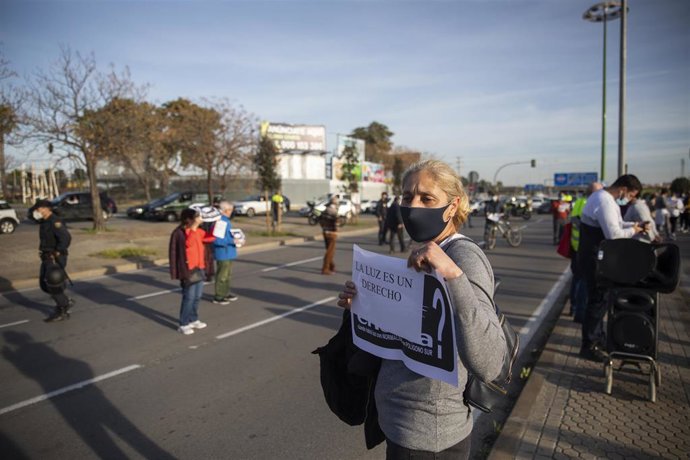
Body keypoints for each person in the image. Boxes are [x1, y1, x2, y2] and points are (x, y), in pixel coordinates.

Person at [337, 160, 506, 459]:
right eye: (407, 197)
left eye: (427, 198)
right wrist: (362, 305)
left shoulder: (463, 257)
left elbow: (490, 361)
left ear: (452, 207)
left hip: (430, 437)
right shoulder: (425, 249)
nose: (413, 206)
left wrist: (453, 275)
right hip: (398, 423)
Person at [577, 174, 648, 362]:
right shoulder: (605, 201)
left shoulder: (603, 197)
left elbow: (616, 223)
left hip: (595, 257)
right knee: (597, 301)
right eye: (631, 195)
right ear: (623, 189)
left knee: (600, 300)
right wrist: (634, 231)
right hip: (594, 259)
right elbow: (614, 235)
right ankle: (589, 345)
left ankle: (597, 338)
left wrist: (634, 225)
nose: (631, 199)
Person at [169, 208, 215, 335]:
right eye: (196, 217)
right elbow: (188, 244)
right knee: (188, 297)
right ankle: (183, 323)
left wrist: (216, 225)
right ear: (188, 219)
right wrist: (194, 227)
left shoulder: (198, 231)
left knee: (197, 296)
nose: (199, 219)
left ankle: (193, 319)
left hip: (200, 267)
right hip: (188, 269)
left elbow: (208, 239)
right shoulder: (181, 232)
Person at [32, 199, 73, 322]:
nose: (36, 211)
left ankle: (62, 310)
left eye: (38, 209)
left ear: (45, 209)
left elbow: (66, 237)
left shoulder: (55, 221)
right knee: (44, 285)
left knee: (52, 285)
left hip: (54, 257)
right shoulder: (45, 221)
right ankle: (64, 301)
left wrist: (58, 251)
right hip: (46, 257)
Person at [568, 182, 603, 323]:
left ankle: (573, 307)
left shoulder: (579, 202)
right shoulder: (588, 204)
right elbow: (578, 222)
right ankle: (578, 310)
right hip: (583, 247)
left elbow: (573, 221)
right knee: (582, 281)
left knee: (576, 279)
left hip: (576, 245)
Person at [212, 201, 239, 304]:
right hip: (223, 253)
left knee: (227, 275)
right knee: (222, 275)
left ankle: (225, 293)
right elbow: (218, 240)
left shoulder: (226, 221)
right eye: (230, 210)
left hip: (229, 252)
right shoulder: (221, 222)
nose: (231, 212)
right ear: (225, 210)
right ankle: (219, 296)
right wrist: (232, 241)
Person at [319, 196, 339, 275]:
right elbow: (337, 223)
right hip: (331, 233)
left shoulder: (325, 210)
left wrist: (324, 228)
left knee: (329, 250)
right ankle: (325, 269)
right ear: (335, 203)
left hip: (325, 232)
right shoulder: (334, 211)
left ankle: (332, 266)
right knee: (330, 252)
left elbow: (320, 220)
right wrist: (336, 231)